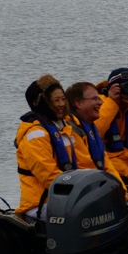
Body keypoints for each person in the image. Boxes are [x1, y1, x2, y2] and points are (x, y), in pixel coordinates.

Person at [15, 74, 85, 215]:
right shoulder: (34, 135)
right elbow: (49, 176)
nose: (62, 104)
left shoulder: (63, 129)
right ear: (43, 103)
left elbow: (84, 163)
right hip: (41, 204)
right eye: (56, 100)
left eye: (63, 99)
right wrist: (80, 194)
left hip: (65, 199)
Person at [65, 79, 109, 173]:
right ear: (79, 104)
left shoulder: (91, 126)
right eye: (94, 99)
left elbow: (108, 166)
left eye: (99, 98)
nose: (100, 103)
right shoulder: (71, 130)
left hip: (99, 179)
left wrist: (120, 185)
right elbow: (84, 167)